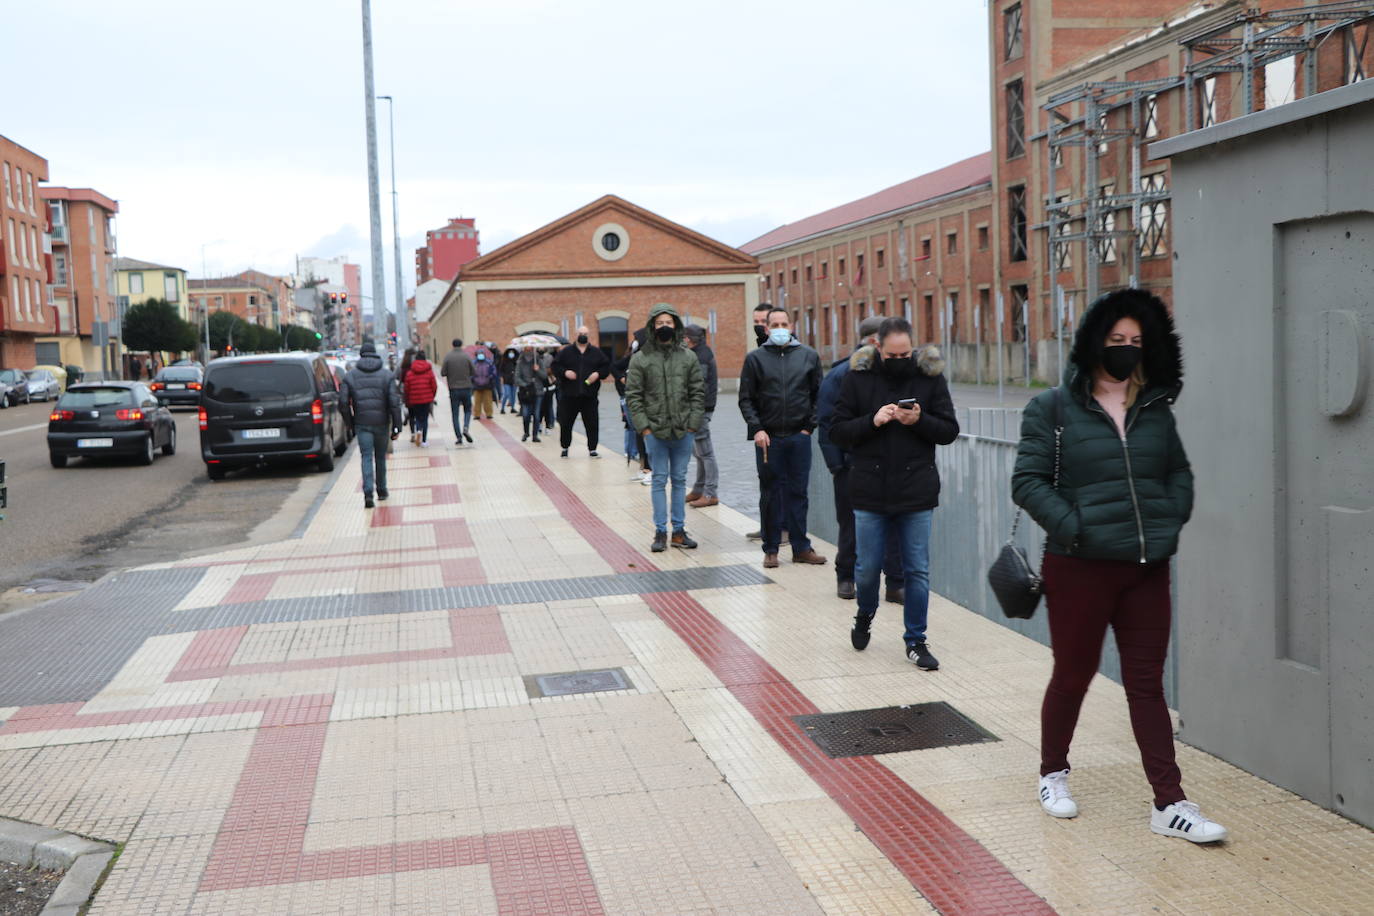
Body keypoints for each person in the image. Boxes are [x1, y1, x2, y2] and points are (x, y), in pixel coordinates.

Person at [1011, 288, 1226, 843]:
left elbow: (1177, 476)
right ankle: (1052, 773)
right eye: (1116, 341)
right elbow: (1028, 482)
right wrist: (1077, 527)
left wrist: (1168, 522)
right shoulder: (1052, 408)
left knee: (1147, 685)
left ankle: (1169, 803)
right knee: (1074, 675)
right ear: (1093, 344)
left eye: (1136, 342)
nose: (1127, 350)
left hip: (1145, 568)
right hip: (1079, 567)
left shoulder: (1155, 409)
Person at [830, 317, 958, 671]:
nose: (900, 358)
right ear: (877, 349)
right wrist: (873, 421)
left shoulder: (929, 377)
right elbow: (838, 431)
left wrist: (920, 421)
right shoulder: (857, 378)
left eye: (906, 353)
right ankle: (864, 614)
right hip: (870, 491)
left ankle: (915, 640)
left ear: (913, 349)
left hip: (916, 490)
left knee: (917, 570)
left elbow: (949, 430)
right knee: (868, 569)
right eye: (892, 353)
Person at [817, 316, 906, 602]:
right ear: (873, 341)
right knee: (851, 524)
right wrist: (836, 466)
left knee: (895, 523)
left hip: (891, 465)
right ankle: (846, 577)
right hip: (851, 465)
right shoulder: (842, 374)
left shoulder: (896, 374)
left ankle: (895, 582)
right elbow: (827, 423)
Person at [738, 307, 826, 569]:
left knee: (798, 492)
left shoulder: (808, 356)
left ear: (791, 326)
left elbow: (818, 395)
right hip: (769, 438)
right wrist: (757, 429)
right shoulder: (755, 359)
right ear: (766, 328)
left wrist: (809, 428)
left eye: (783, 323)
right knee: (771, 493)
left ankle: (801, 547)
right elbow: (746, 399)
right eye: (773, 324)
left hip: (799, 436)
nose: (778, 328)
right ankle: (771, 548)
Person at [625, 304, 705, 553]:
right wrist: (644, 429)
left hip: (683, 430)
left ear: (676, 326)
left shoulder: (688, 357)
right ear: (652, 326)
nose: (664, 327)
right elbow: (633, 396)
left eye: (668, 323)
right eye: (659, 323)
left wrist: (692, 425)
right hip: (655, 432)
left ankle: (679, 531)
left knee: (680, 480)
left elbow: (697, 393)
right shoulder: (641, 358)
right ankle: (660, 531)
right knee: (659, 480)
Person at [341, 340, 403, 509]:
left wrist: (350, 423)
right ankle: (382, 490)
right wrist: (397, 424)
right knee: (380, 457)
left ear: (360, 356)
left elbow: (343, 402)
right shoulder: (387, 375)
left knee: (366, 456)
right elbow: (394, 402)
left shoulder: (350, 376)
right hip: (382, 423)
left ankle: (368, 493)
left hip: (362, 423)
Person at [552, 325, 611, 458]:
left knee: (592, 423)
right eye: (580, 333)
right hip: (569, 395)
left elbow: (606, 367)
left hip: (589, 396)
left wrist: (597, 374)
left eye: (585, 333)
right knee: (566, 423)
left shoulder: (596, 352)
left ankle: (592, 448)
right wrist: (565, 372)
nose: (583, 335)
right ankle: (565, 447)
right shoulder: (566, 352)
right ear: (576, 334)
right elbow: (555, 366)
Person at [683, 324, 719, 509]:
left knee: (705, 452)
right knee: (698, 452)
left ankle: (711, 493)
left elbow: (701, 387)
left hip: (701, 409)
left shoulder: (701, 356)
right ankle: (698, 489)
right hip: (699, 408)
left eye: (683, 337)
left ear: (688, 339)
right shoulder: (700, 352)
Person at [441, 339, 475, 445]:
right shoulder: (466, 356)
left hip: (453, 389)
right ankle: (465, 427)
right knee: (468, 410)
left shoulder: (448, 357)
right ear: (461, 345)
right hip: (466, 388)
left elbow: (443, 373)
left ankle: (459, 437)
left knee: (455, 414)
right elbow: (473, 371)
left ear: (452, 345)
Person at [402, 350, 438, 446]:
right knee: (425, 418)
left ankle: (418, 430)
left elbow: (406, 388)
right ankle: (424, 440)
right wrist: (432, 396)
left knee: (417, 417)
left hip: (414, 399)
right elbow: (434, 386)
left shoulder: (410, 372)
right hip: (427, 399)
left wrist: (408, 398)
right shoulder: (429, 371)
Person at [514, 345, 544, 443]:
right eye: (526, 347)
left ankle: (535, 435)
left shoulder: (538, 360)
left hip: (537, 391)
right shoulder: (520, 362)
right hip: (526, 391)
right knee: (526, 414)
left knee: (536, 414)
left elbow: (544, 376)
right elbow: (517, 377)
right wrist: (525, 385)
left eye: (530, 347)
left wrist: (537, 370)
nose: (528, 349)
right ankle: (526, 432)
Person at [472, 350, 498, 419]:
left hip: (487, 385)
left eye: (482, 354)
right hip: (477, 385)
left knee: (488, 401)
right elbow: (470, 373)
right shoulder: (474, 363)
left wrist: (490, 377)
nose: (480, 355)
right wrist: (473, 379)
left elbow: (494, 372)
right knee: (477, 401)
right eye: (479, 354)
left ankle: (489, 414)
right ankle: (477, 414)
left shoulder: (489, 363)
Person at [537, 347, 557, 433]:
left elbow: (552, 369)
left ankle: (549, 425)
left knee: (548, 406)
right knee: (539, 407)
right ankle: (539, 424)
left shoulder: (549, 357)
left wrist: (546, 371)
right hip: (538, 386)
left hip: (549, 385)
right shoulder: (534, 358)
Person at [499, 348, 519, 414]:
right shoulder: (504, 361)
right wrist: (502, 378)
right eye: (510, 352)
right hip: (506, 380)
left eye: (512, 352)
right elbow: (501, 370)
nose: (511, 354)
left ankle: (512, 408)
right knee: (506, 394)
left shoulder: (516, 361)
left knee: (513, 395)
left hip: (514, 380)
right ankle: (502, 408)